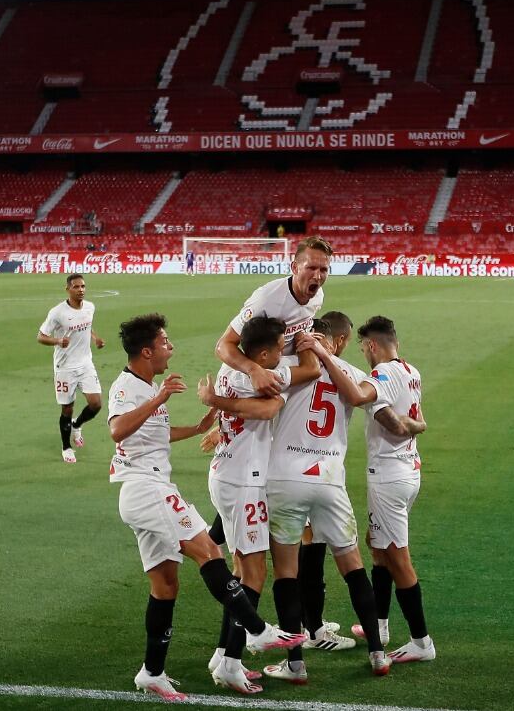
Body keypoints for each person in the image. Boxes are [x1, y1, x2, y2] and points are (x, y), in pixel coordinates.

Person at [108, 313, 305, 701]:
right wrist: (160, 398)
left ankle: (152, 672)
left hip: (151, 485)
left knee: (165, 586)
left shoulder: (144, 384)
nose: (171, 347)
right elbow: (116, 429)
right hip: (146, 487)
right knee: (209, 551)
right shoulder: (128, 386)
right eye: (165, 342)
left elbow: (155, 433)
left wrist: (197, 429)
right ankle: (256, 630)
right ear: (146, 351)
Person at [250, 314, 411, 682]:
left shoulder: (289, 365)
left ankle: (294, 664)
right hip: (329, 478)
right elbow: (383, 412)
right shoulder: (352, 373)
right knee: (353, 567)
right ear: (338, 341)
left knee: (287, 572)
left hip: (285, 477)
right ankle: (377, 653)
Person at [196, 316, 320, 693]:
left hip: (227, 472)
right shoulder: (264, 374)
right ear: (263, 353)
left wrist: (216, 405)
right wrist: (307, 345)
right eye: (280, 346)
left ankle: (222, 653)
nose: (283, 352)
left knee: (240, 570)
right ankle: (232, 662)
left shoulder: (227, 367)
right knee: (254, 573)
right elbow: (277, 401)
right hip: (243, 481)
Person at [318, 315, 434, 664]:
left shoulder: (382, 375)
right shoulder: (411, 370)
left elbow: (364, 401)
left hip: (389, 477)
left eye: (363, 346)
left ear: (371, 345)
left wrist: (326, 358)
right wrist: (415, 425)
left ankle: (421, 641)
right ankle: (379, 626)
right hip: (409, 470)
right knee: (379, 548)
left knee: (398, 559)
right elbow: (417, 422)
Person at [215, 236, 331, 397]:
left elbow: (301, 326)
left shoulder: (318, 296)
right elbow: (224, 345)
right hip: (252, 378)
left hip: (285, 372)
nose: (318, 276)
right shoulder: (266, 300)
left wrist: (313, 338)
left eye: (324, 270)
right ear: (295, 268)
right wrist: (253, 370)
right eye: (311, 268)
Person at [37, 273, 105, 463]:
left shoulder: (90, 307)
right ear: (67, 289)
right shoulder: (57, 313)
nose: (81, 290)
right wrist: (58, 340)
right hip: (65, 367)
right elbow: (41, 336)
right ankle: (66, 447)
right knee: (67, 408)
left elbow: (86, 325)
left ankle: (77, 424)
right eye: (76, 287)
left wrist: (95, 338)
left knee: (96, 404)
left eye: (83, 286)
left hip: (85, 364)